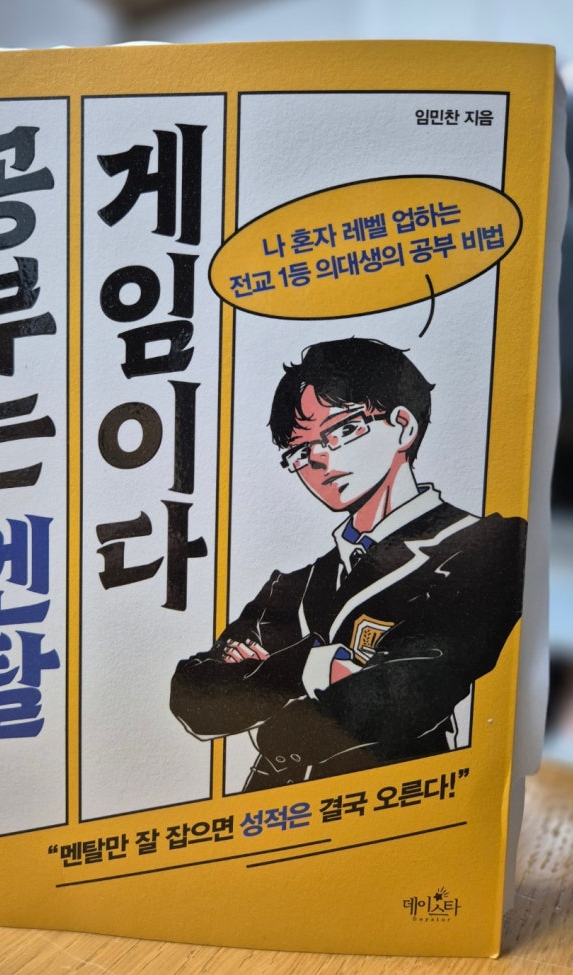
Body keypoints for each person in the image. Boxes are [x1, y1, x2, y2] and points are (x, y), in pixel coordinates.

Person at [170, 337, 527, 791]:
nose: (318, 459)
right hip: (271, 811)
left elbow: (408, 692)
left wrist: (268, 682)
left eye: (340, 430)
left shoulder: (488, 545)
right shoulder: (295, 585)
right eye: (300, 452)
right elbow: (195, 697)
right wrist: (316, 667)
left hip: (397, 807)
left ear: (403, 426)